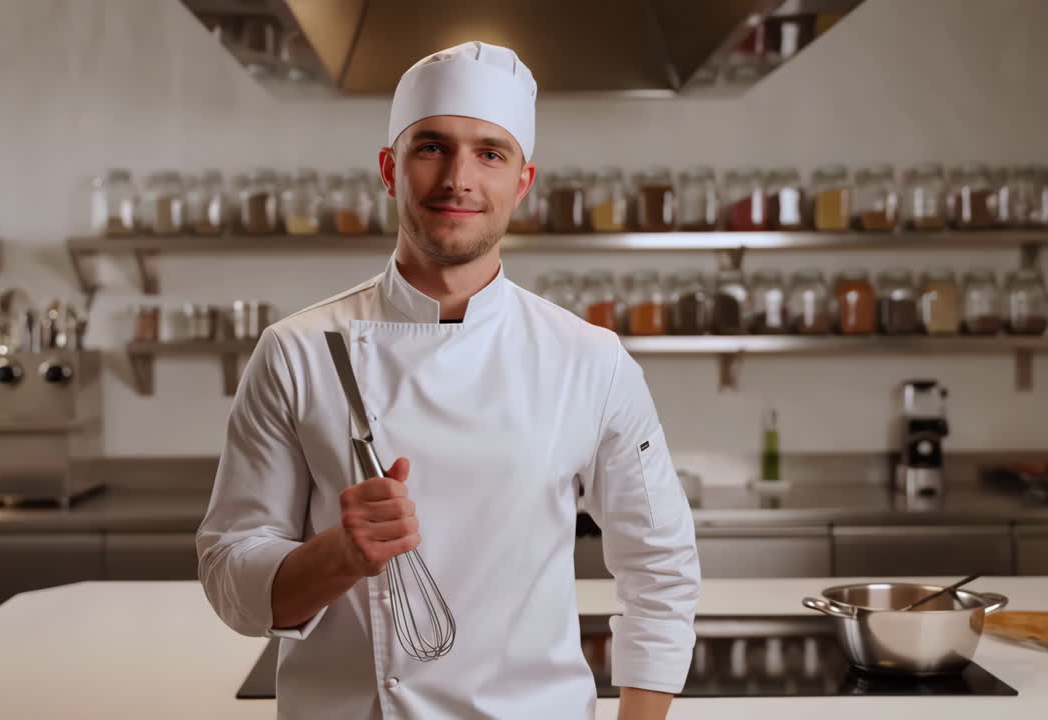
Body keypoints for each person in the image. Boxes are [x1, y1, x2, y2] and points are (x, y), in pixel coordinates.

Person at [197, 41, 700, 720]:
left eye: (490, 153)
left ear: (523, 182)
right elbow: (229, 579)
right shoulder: (298, 352)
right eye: (432, 147)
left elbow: (661, 569)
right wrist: (338, 556)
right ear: (389, 169)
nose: (459, 179)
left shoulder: (591, 361)